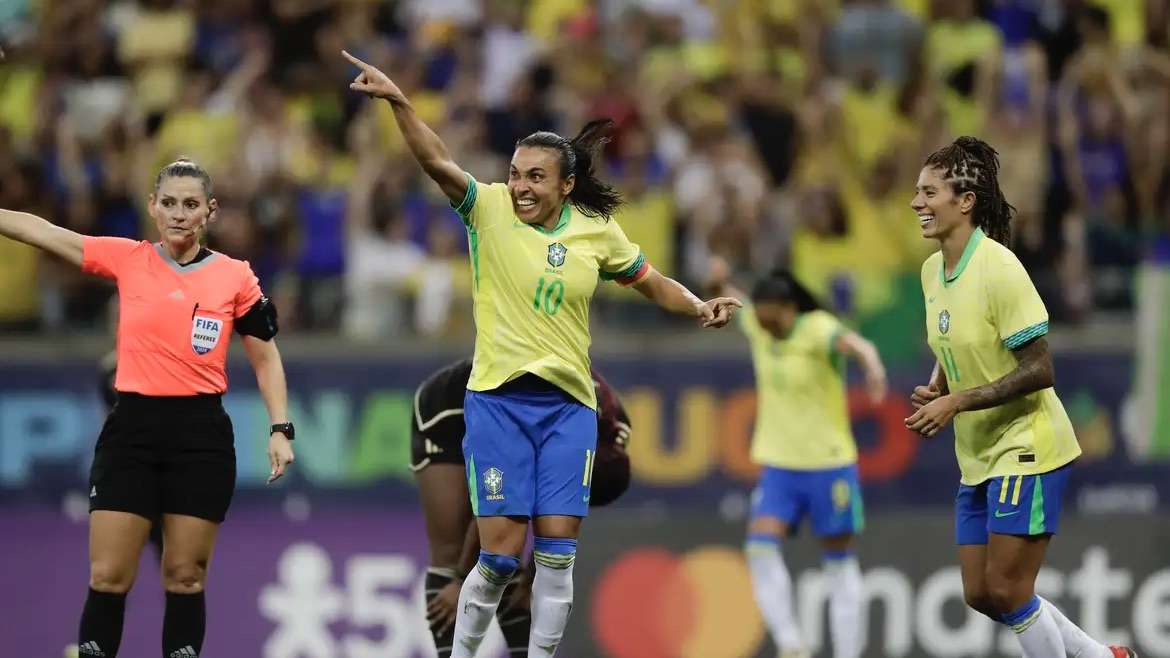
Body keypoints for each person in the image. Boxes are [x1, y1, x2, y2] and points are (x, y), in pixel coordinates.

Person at [343, 50, 740, 658]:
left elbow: (651, 278)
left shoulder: (595, 232)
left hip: (568, 408)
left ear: (566, 183)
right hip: (499, 401)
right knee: (500, 560)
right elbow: (435, 159)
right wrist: (400, 102)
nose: (521, 186)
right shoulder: (488, 209)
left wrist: (697, 305)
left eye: (535, 177)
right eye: (517, 172)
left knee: (556, 558)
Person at [0, 158, 296, 658]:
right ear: (153, 208)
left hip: (200, 438)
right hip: (131, 433)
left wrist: (280, 428)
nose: (179, 213)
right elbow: (43, 231)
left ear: (210, 211)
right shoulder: (127, 258)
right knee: (108, 575)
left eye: (191, 204)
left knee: (185, 577)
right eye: (170, 203)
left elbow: (265, 358)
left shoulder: (235, 277)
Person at [905, 136, 1136, 658]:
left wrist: (958, 402)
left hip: (1027, 444)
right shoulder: (930, 272)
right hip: (978, 454)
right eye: (917, 192)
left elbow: (1040, 368)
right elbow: (954, 338)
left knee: (1010, 588)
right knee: (982, 593)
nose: (917, 203)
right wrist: (940, 383)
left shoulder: (1000, 268)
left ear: (965, 201)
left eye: (928, 191)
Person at [708, 259, 887, 658]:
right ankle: (791, 644)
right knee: (759, 548)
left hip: (829, 465)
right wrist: (722, 281)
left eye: (771, 319)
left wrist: (871, 365)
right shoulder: (759, 323)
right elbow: (740, 308)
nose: (764, 326)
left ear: (790, 310)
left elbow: (857, 344)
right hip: (779, 466)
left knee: (838, 561)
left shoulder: (818, 329)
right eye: (762, 319)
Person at [412, 358, 633, 658]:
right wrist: (458, 578)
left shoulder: (611, 433)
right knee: (472, 550)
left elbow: (560, 522)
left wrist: (532, 574)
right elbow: (498, 517)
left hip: (527, 408)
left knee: (525, 577)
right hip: (450, 409)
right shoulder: (576, 424)